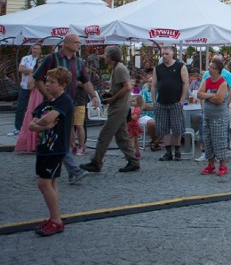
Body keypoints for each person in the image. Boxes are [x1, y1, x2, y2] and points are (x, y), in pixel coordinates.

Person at [30, 33, 99, 184]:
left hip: (69, 103)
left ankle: (68, 170)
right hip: (55, 104)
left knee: (64, 137)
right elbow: (38, 77)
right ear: (66, 44)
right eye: (76, 42)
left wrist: (94, 96)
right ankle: (72, 170)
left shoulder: (79, 62)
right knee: (59, 136)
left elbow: (86, 81)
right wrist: (48, 96)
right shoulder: (52, 58)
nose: (78, 45)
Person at [29, 67, 74, 237]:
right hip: (43, 148)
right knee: (51, 183)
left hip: (56, 148)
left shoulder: (64, 100)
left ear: (62, 85)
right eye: (47, 81)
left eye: (51, 82)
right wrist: (46, 125)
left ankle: (56, 220)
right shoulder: (46, 102)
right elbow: (31, 125)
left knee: (43, 183)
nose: (47, 84)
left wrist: (44, 122)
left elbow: (46, 118)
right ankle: (54, 217)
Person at [80, 46, 138, 173]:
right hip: (119, 106)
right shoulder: (117, 68)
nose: (103, 56)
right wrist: (110, 93)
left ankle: (96, 162)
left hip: (118, 107)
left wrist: (113, 98)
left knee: (104, 135)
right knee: (122, 136)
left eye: (105, 54)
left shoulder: (119, 69)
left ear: (111, 56)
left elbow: (127, 87)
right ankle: (133, 162)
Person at [152, 46, 189, 161]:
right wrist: (154, 101)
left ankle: (177, 151)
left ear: (172, 54)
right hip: (161, 102)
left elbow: (185, 83)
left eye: (166, 54)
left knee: (177, 128)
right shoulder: (158, 68)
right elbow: (153, 85)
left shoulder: (180, 66)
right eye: (163, 54)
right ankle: (168, 152)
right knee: (164, 129)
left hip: (175, 102)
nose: (164, 56)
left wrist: (182, 100)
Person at [198, 58, 229, 176]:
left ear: (217, 70)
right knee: (208, 140)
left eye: (211, 67)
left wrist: (207, 96)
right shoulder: (206, 80)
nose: (209, 69)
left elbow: (219, 99)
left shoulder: (223, 82)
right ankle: (210, 165)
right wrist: (211, 94)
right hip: (207, 116)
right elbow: (199, 94)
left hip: (219, 117)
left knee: (219, 140)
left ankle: (222, 165)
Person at [10, 44, 42, 136]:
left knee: (34, 108)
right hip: (25, 87)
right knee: (21, 107)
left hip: (37, 88)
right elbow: (21, 68)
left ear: (40, 51)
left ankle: (33, 127)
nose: (35, 50)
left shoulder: (41, 60)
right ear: (32, 49)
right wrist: (35, 71)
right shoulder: (25, 58)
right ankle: (17, 128)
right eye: (34, 48)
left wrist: (28, 70)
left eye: (37, 49)